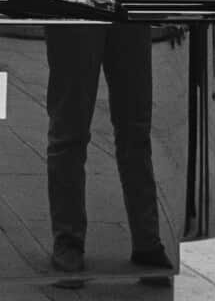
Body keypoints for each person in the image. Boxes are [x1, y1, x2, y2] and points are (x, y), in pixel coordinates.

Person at [43, 25, 172, 287]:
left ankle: (146, 242)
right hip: (77, 3)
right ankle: (68, 242)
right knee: (70, 130)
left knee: (135, 129)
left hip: (126, 4)